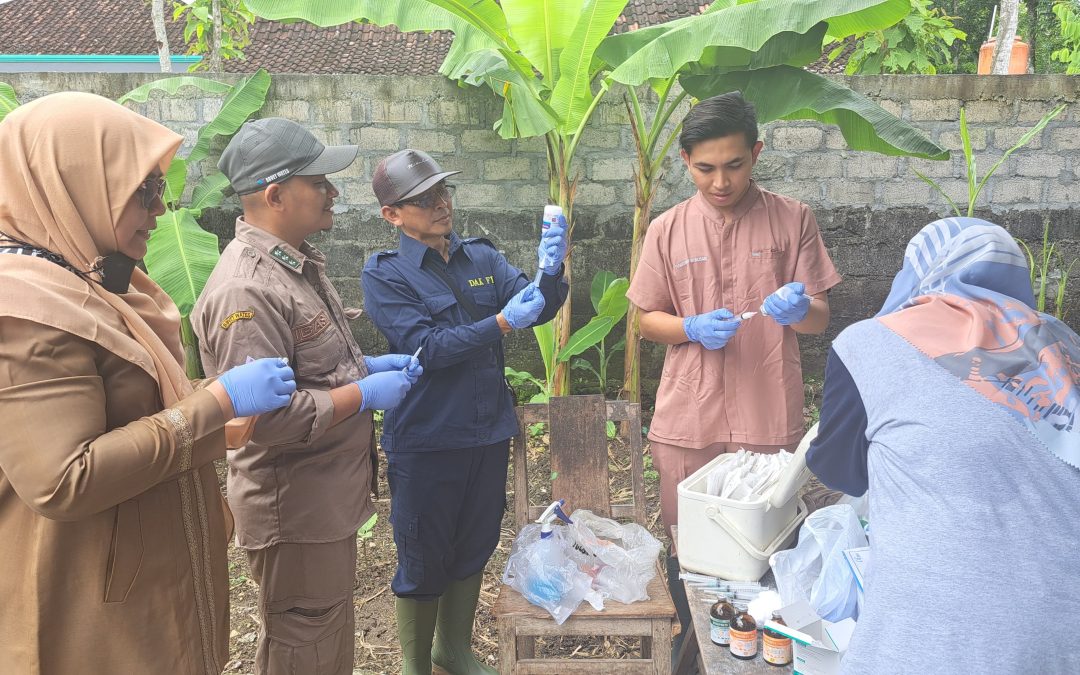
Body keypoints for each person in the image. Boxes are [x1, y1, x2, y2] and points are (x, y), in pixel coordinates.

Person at [0, 93, 296, 674]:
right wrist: (214, 402)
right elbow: (63, 479)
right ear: (71, 184)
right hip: (89, 600)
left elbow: (121, 401)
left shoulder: (85, 278)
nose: (159, 211)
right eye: (143, 191)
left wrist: (217, 410)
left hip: (143, 576)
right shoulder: (26, 308)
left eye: (161, 190)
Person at [191, 118, 421, 675]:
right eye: (318, 181)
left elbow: (311, 369)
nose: (333, 192)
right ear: (275, 195)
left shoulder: (293, 263)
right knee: (303, 645)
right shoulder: (248, 288)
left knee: (322, 636)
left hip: (323, 500)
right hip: (292, 508)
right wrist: (361, 396)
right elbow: (259, 422)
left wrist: (364, 370)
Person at [807, 217, 1080, 673]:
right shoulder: (1065, 349)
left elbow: (840, 473)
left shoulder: (869, 343)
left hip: (931, 642)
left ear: (917, 273)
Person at [624, 91, 842, 641]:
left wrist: (800, 310)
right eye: (705, 169)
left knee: (762, 544)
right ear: (685, 162)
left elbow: (819, 318)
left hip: (767, 409)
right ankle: (692, 647)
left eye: (734, 166)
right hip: (688, 416)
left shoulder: (793, 220)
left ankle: (752, 643)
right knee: (690, 543)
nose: (720, 183)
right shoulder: (667, 229)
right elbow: (646, 320)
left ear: (757, 152)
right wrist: (690, 327)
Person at [361, 149, 569, 673]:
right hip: (428, 437)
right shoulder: (384, 275)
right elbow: (426, 348)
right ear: (392, 215)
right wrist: (500, 323)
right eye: (423, 199)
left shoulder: (480, 257)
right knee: (422, 553)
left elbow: (534, 306)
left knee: (475, 542)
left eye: (443, 192)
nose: (439, 204)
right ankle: (415, 664)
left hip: (485, 430)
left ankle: (451, 650)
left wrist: (551, 271)